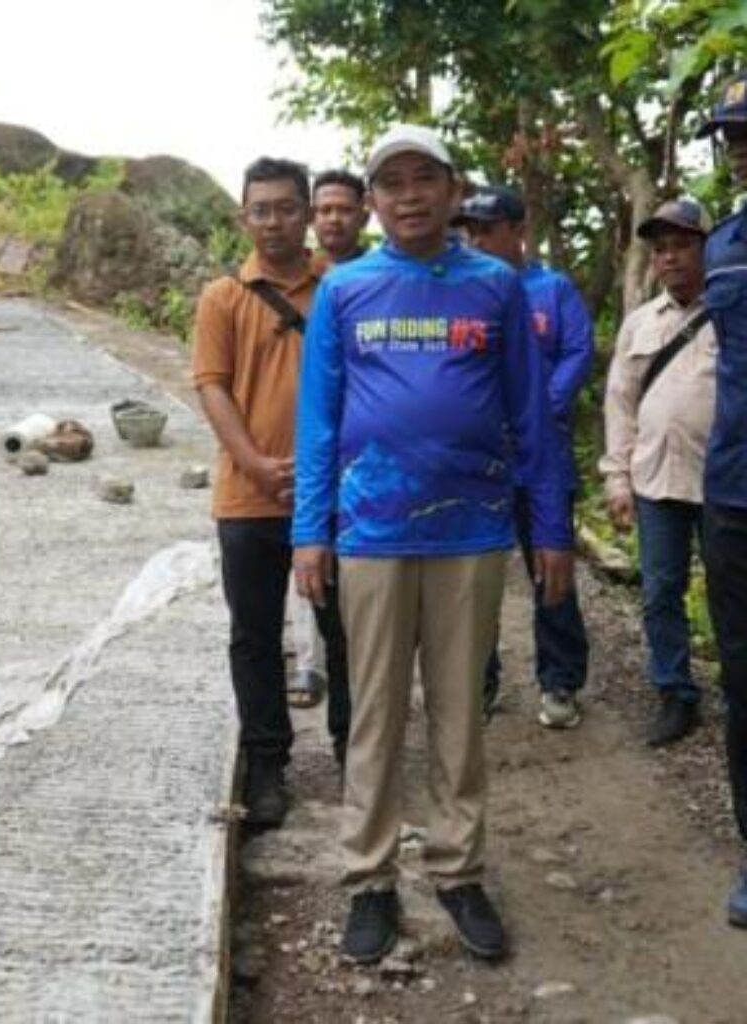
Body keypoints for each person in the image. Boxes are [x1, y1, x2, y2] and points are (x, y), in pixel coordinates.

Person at [293, 125, 574, 964]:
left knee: (460, 713)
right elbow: (319, 423)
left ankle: (458, 870)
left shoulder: (494, 288)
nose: (409, 195)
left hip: (474, 532)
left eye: (425, 179)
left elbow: (532, 417)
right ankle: (370, 881)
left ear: (454, 193)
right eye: (392, 183)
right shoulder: (346, 292)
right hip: (371, 535)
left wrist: (550, 527)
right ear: (371, 202)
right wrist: (312, 531)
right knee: (373, 712)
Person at [192, 157, 349, 827]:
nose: (275, 221)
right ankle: (266, 766)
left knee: (351, 633)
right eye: (262, 210)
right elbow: (212, 384)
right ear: (243, 217)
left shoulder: (344, 288)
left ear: (309, 212)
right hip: (248, 496)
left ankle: (356, 754)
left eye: (288, 207)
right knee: (254, 636)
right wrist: (253, 462)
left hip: (335, 498)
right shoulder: (222, 296)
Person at [453, 186, 593, 728]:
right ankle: (477, 681)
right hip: (482, 460)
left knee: (550, 568)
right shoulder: (464, 292)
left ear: (518, 230)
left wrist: (535, 412)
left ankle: (560, 681)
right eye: (472, 231)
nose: (478, 240)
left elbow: (577, 353)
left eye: (489, 229)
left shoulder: (551, 289)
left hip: (542, 455)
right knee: (473, 575)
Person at [599, 199, 715, 748]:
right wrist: (616, 477)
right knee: (661, 590)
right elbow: (620, 403)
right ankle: (675, 692)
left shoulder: (734, 310)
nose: (670, 258)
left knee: (732, 590)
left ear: (706, 247)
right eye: (661, 248)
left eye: (682, 245)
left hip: (727, 481)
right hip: (656, 479)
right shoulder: (641, 323)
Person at [284, 168, 369, 747]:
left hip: (364, 476)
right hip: (300, 464)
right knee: (309, 589)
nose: (333, 218)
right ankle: (310, 674)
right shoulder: (299, 282)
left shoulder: (383, 281)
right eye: (324, 210)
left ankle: (353, 740)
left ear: (365, 212)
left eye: (344, 208)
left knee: (355, 624)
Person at [695, 71, 747, 927]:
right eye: (732, 133)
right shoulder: (723, 244)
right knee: (743, 683)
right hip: (735, 494)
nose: (738, 144)